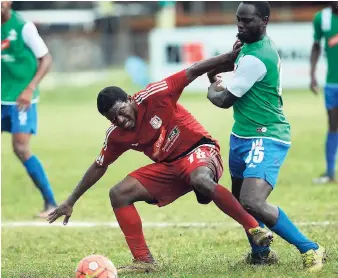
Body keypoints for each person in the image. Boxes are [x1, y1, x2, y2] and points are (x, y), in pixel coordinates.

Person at [47, 48, 274, 273]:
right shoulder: (116, 135)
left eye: (121, 111)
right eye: (113, 119)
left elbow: (193, 70)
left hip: (200, 149)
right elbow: (99, 165)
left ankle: (253, 228)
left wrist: (228, 57)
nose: (120, 120)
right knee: (119, 193)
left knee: (201, 179)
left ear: (129, 98)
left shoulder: (155, 94)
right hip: (170, 166)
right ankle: (144, 260)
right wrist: (71, 201)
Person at [207, 1, 326, 272]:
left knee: (252, 201)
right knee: (242, 200)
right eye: (238, 19)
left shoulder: (256, 56)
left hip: (267, 134)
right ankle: (261, 254)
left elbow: (223, 100)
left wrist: (212, 87)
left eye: (247, 21)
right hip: (242, 135)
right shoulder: (248, 47)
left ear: (264, 21)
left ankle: (311, 248)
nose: (241, 25)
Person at [1, 1, 57, 218]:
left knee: (21, 149)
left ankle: (50, 202)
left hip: (21, 98)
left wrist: (30, 87)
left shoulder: (23, 27)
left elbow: (46, 58)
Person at [310, 1, 338, 184]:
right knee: (333, 125)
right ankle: (329, 172)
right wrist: (312, 75)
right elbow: (316, 46)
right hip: (332, 84)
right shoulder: (322, 18)